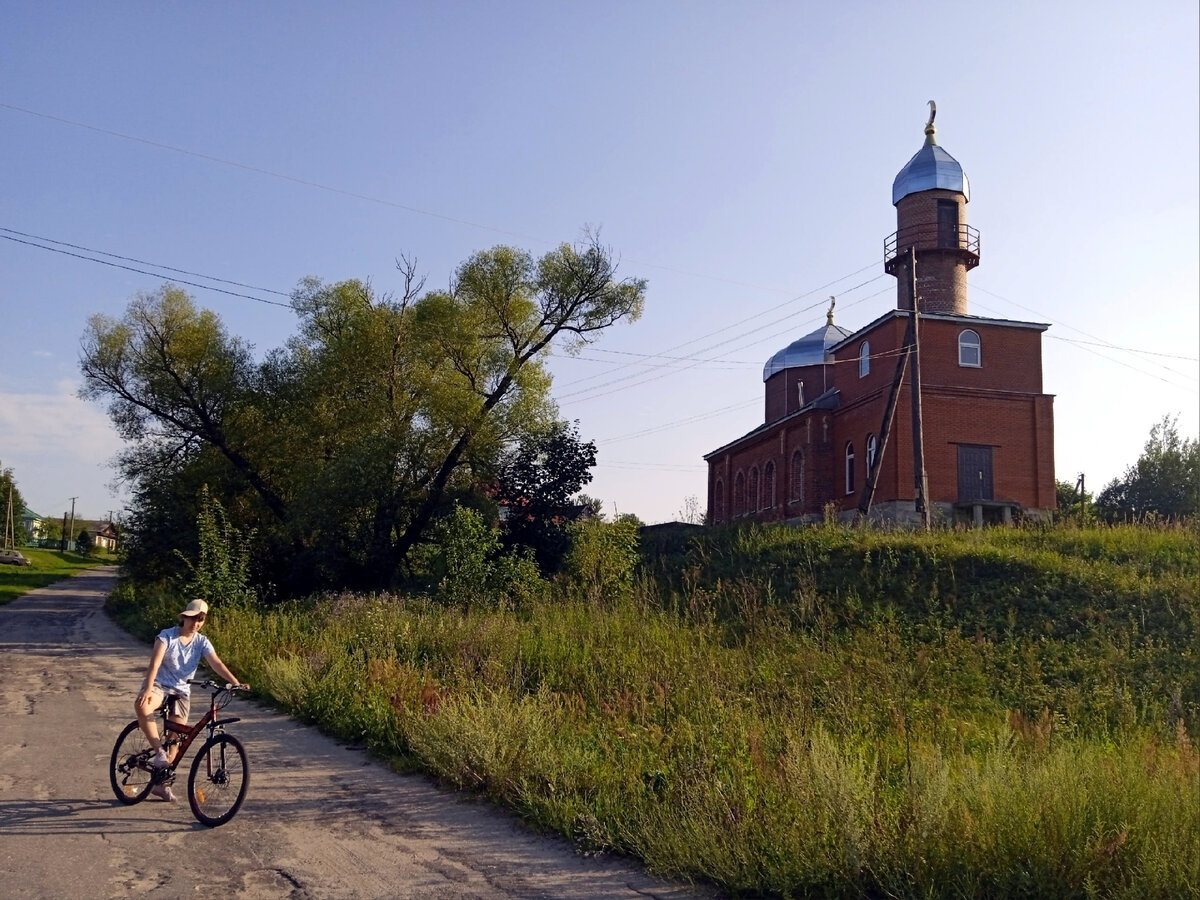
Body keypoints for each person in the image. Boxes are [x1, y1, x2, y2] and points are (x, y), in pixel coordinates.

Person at [135, 598, 247, 801]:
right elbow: (154, 664)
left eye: (201, 620)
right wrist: (148, 689)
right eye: (193, 618)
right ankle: (157, 751)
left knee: (176, 742)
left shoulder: (201, 641)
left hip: (181, 692)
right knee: (143, 706)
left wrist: (235, 682)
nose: (196, 623)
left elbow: (216, 663)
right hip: (160, 685)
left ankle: (160, 784)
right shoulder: (166, 637)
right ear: (184, 617)